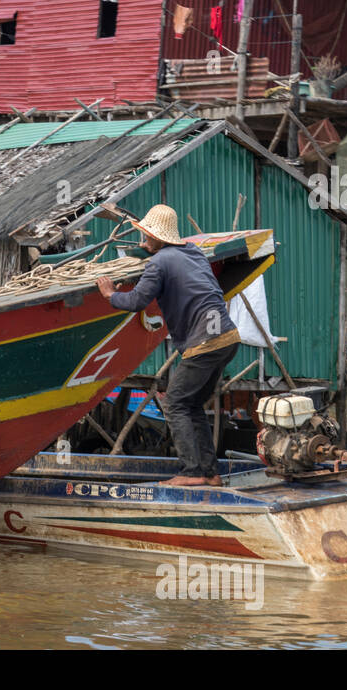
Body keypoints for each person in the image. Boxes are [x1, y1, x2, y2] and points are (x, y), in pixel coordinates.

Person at [95, 204, 240, 487]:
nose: (143, 240)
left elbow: (136, 301)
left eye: (147, 236)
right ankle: (210, 473)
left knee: (174, 402)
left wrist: (110, 294)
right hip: (227, 337)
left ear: (158, 238)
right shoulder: (194, 253)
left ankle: (191, 472)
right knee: (192, 404)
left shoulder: (159, 263)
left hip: (205, 343)